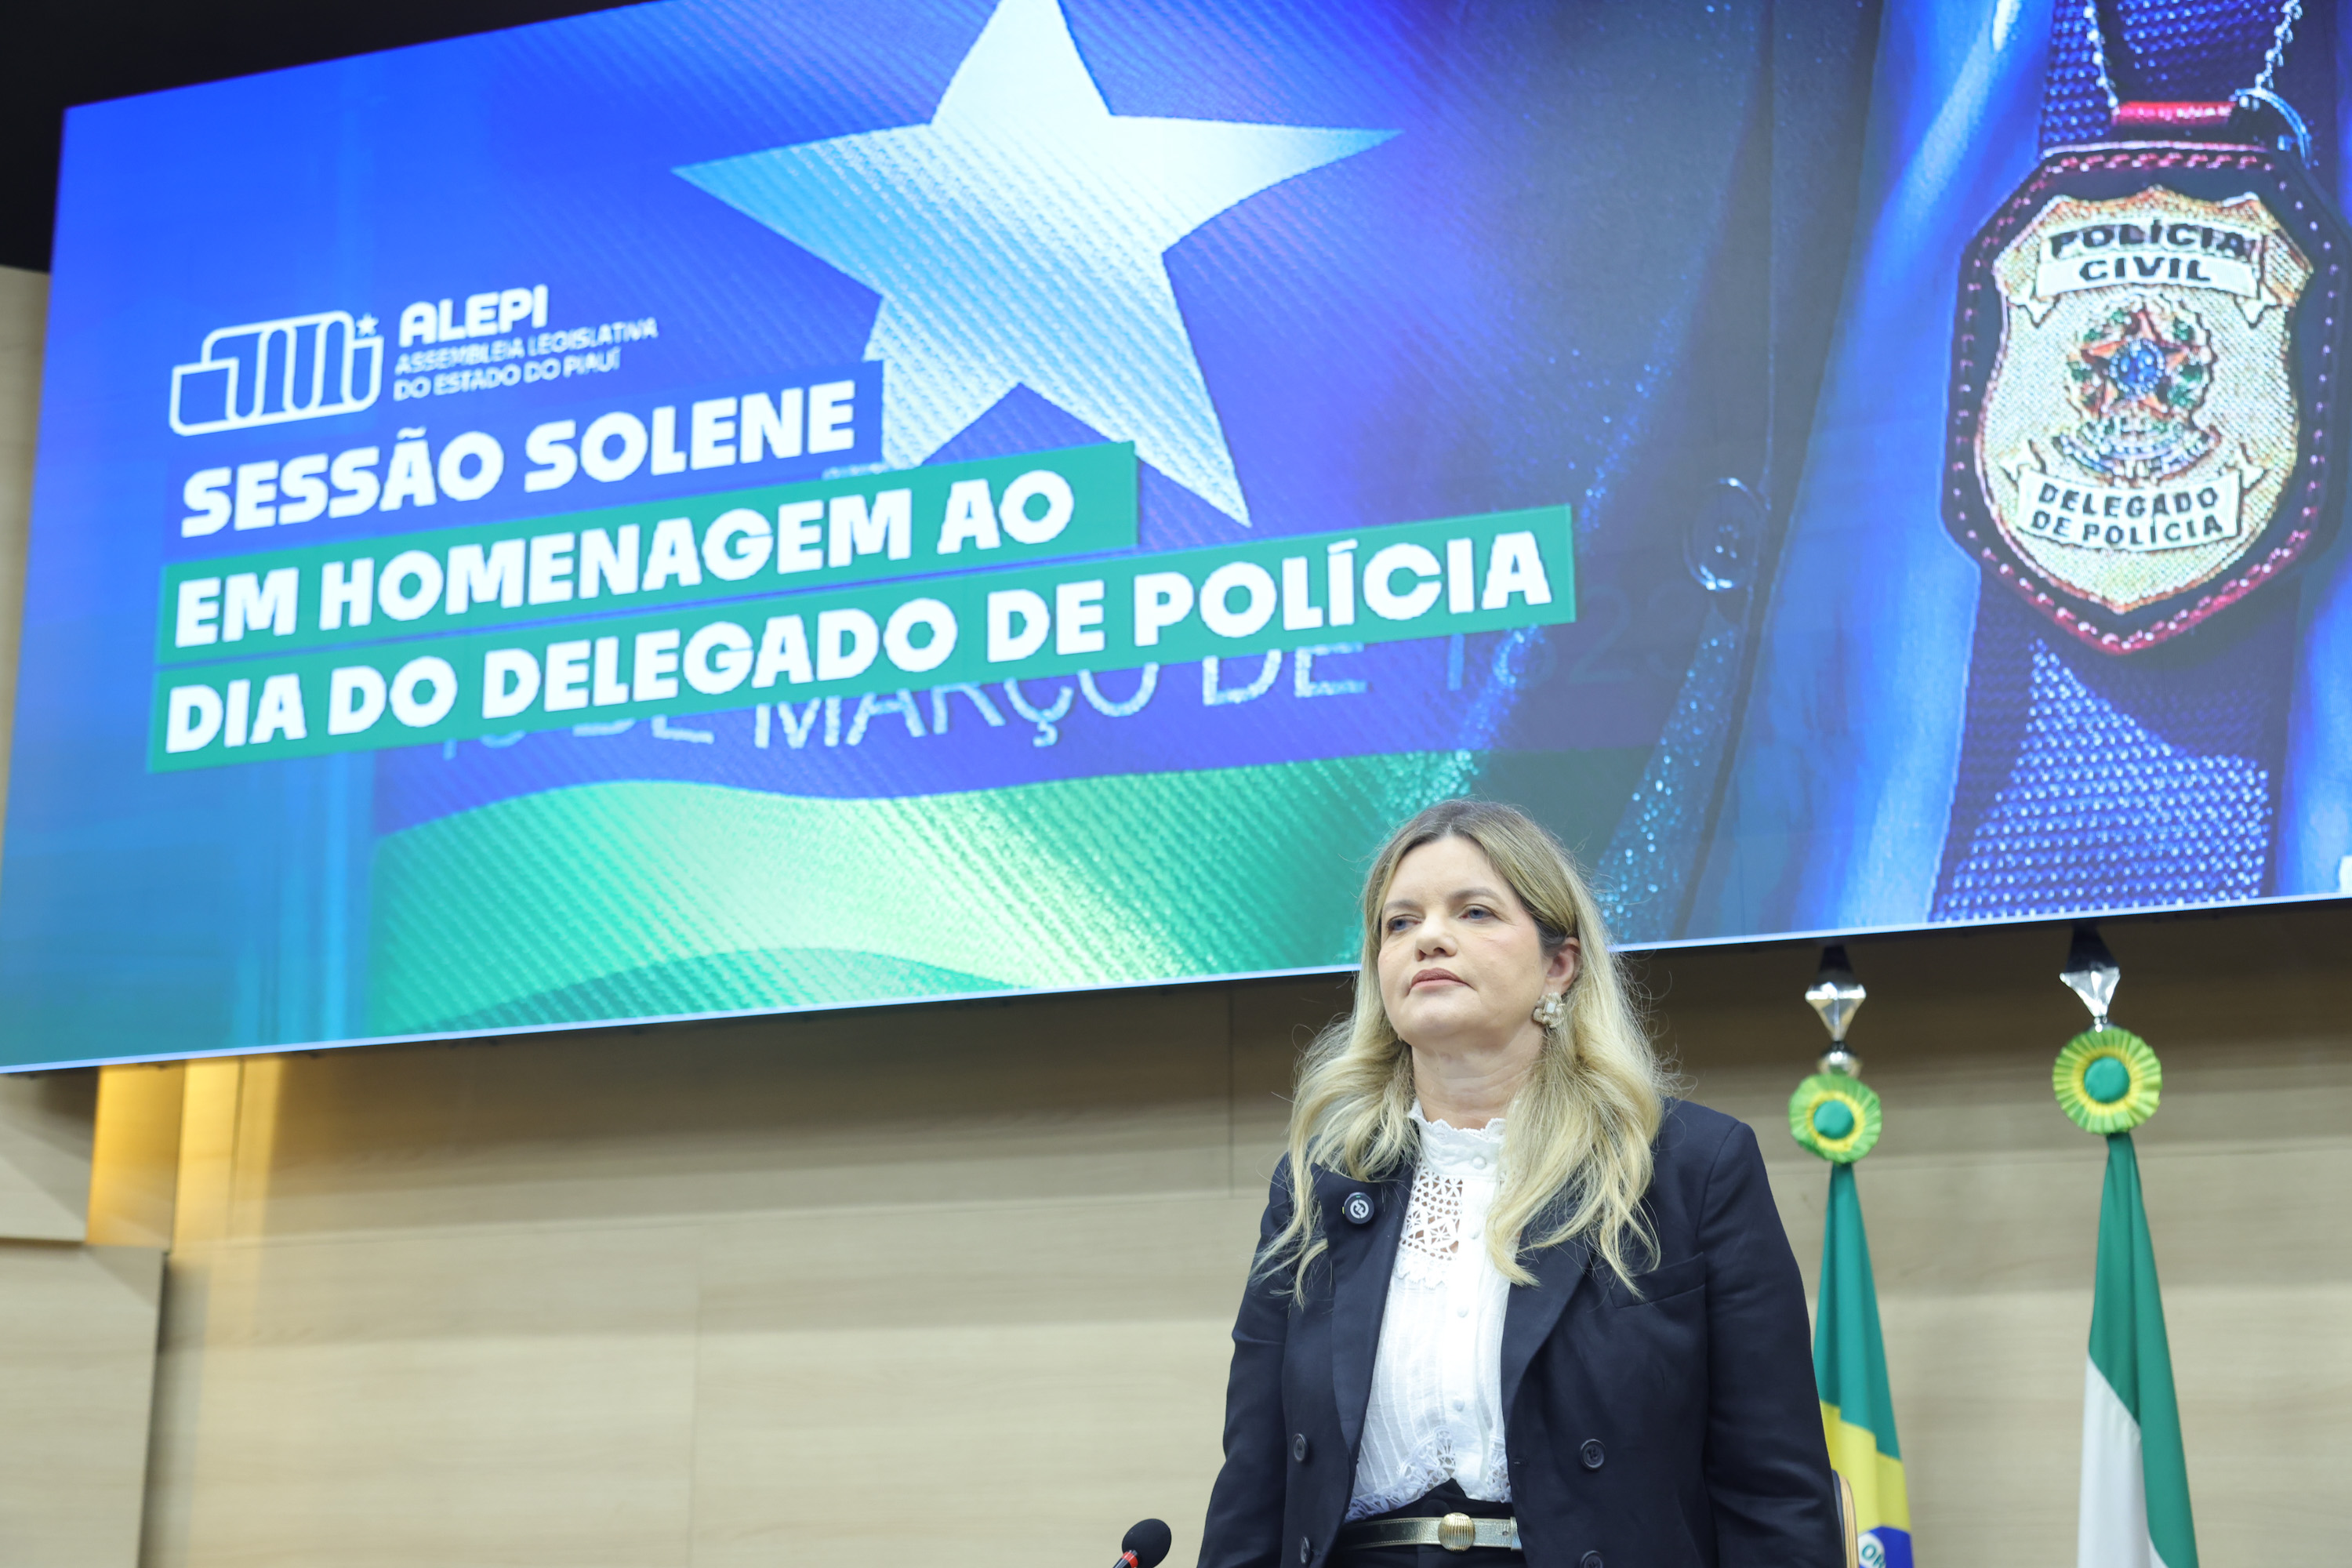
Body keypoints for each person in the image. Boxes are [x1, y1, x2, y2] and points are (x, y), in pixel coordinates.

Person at [1197, 799, 1840, 1568]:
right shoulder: (1319, 1184)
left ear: (1559, 965)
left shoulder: (1689, 1166)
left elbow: (1773, 1489)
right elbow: (1253, 1486)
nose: (1429, 938)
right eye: (1400, 923)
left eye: (1474, 912)